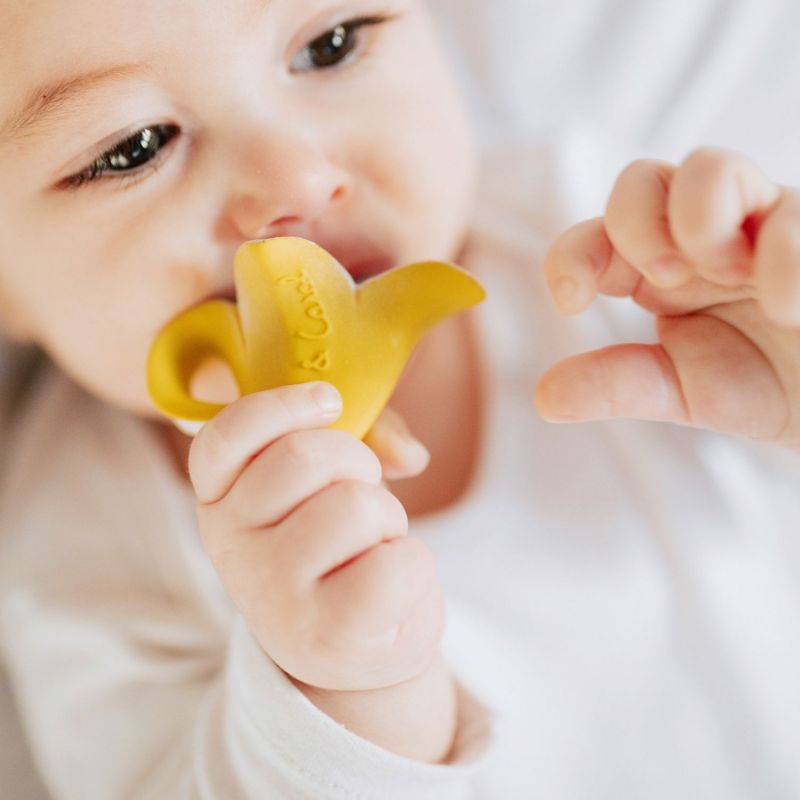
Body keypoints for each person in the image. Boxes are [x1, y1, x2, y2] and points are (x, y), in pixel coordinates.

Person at [1, 1, 799, 798]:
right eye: (132, 147)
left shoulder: (622, 250)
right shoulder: (75, 551)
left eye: (329, 45)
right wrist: (342, 692)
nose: (297, 181)